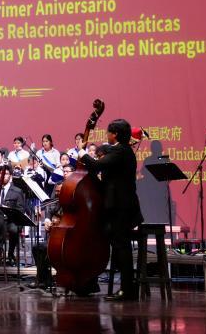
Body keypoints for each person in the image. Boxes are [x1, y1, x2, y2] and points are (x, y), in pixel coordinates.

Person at [79, 118, 143, 301]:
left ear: (115, 134)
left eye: (108, 132)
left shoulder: (122, 151)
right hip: (117, 206)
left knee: (121, 246)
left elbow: (96, 165)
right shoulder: (120, 150)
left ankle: (127, 289)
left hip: (121, 207)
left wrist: (82, 153)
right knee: (115, 243)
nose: (106, 135)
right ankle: (92, 282)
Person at [0, 165, 26, 261]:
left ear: (10, 176)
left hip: (10, 220)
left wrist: (9, 211)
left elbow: (21, 209)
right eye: (0, 173)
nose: (2, 176)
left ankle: (10, 254)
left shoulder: (17, 191)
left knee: (14, 229)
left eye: (5, 174)